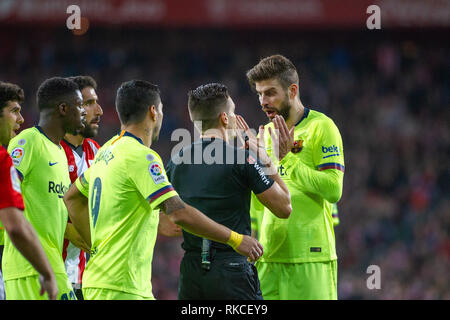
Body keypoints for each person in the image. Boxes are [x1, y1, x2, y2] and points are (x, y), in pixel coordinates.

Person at [63, 80, 263, 300]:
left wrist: (93, 245)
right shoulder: (142, 156)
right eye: (161, 110)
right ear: (153, 112)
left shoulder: (107, 150)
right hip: (123, 287)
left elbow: (72, 197)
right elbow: (178, 213)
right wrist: (235, 239)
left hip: (98, 280)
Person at [166, 83, 291, 300]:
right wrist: (264, 157)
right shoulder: (242, 159)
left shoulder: (174, 162)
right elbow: (284, 207)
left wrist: (201, 223)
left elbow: (167, 226)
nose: (235, 119)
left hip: (191, 273)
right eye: (233, 113)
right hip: (231, 270)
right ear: (224, 118)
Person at [245, 54, 345, 300]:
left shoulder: (322, 127)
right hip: (268, 258)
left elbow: (334, 189)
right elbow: (259, 201)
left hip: (309, 257)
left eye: (270, 93)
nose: (262, 101)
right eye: (259, 94)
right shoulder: (264, 135)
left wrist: (287, 158)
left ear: (292, 90)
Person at [4, 77, 86, 300]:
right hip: (30, 267)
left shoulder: (59, 152)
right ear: (62, 108)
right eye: (79, 106)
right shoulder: (28, 141)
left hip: (49, 264)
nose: (83, 113)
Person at [0, 81, 58, 300]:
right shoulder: (2, 160)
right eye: (14, 111)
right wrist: (46, 271)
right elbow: (15, 226)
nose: (21, 120)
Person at [61, 75, 103, 300]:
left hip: (84, 278)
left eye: (96, 102)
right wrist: (62, 229)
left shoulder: (97, 152)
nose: (99, 110)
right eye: (89, 103)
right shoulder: (46, 150)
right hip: (46, 275)